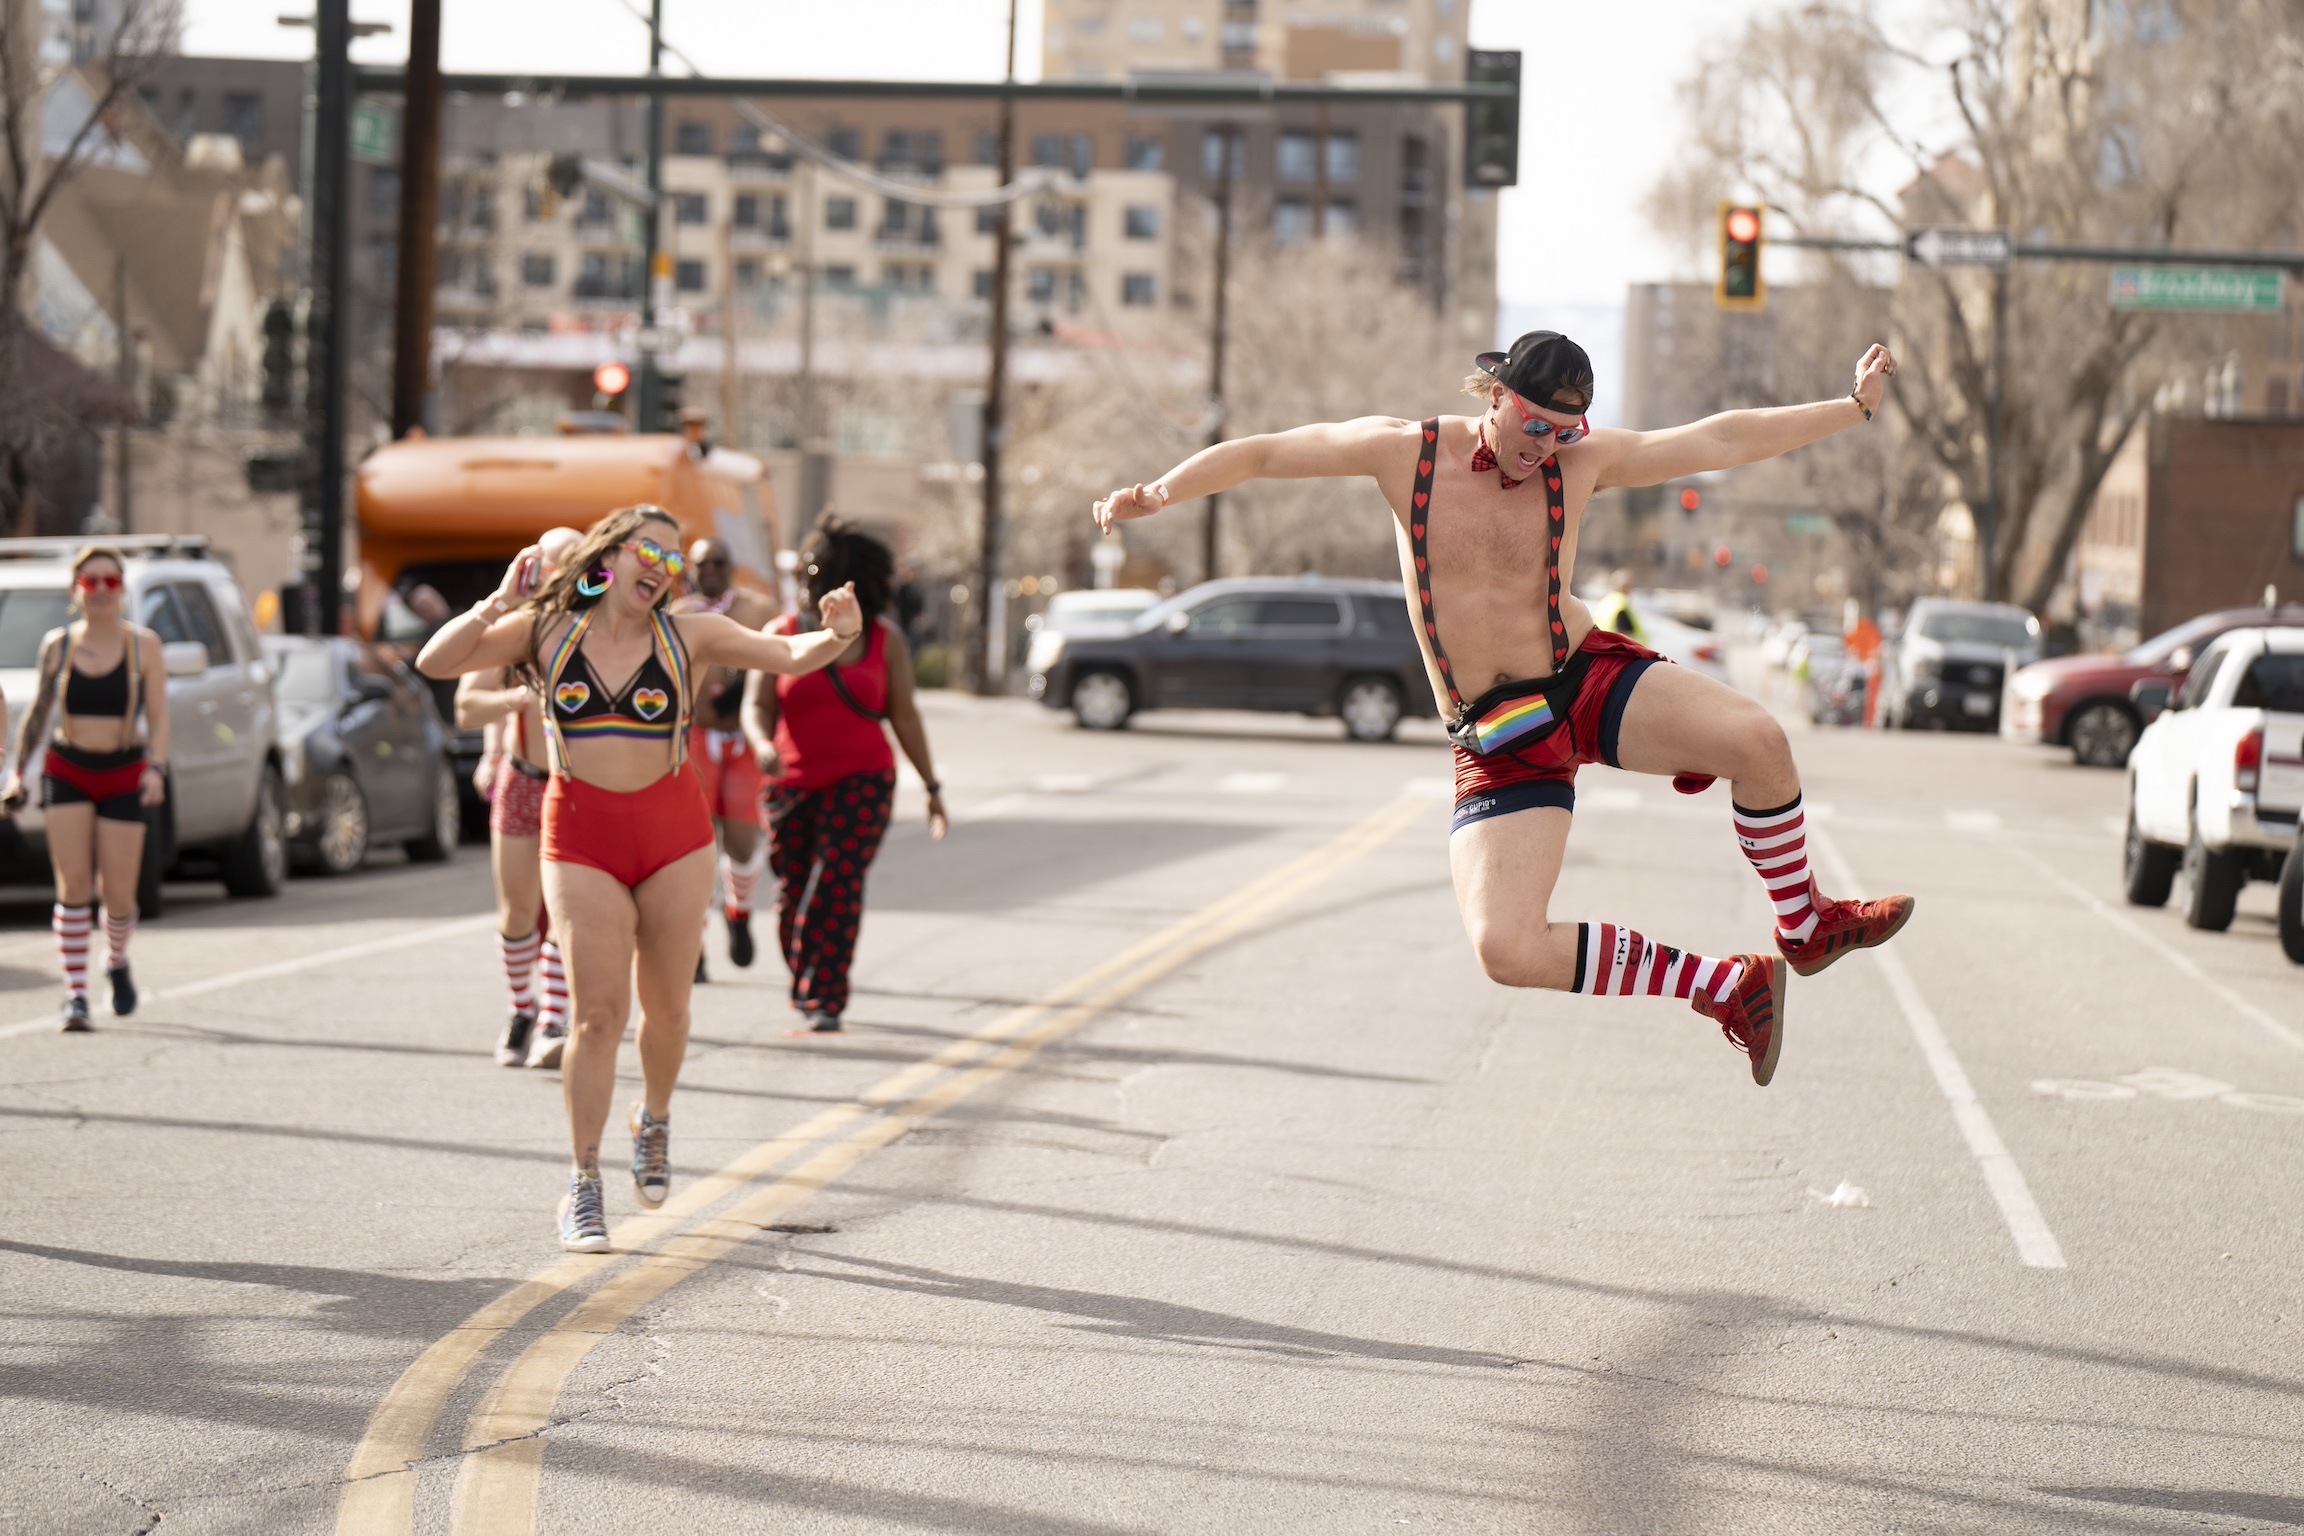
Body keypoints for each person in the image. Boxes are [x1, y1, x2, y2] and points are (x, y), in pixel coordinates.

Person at [1093, 331, 1916, 1087]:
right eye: (1533, 425)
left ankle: (1804, 926)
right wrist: (1163, 492)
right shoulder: (1405, 454)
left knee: (1761, 741)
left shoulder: (1578, 463)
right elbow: (1268, 455)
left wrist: (1851, 409)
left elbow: (1718, 439)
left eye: (1565, 431)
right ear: (1494, 395)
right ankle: (1723, 986)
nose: (1544, 447)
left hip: (1580, 678)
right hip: (1496, 734)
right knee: (1505, 947)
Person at [417, 504, 863, 1252]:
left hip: (673, 839)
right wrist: (498, 601)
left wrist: (840, 630)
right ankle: (583, 1184)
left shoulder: (686, 633)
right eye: (647, 551)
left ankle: (652, 1119)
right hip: (580, 835)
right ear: (610, 556)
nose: (661, 567)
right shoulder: (546, 631)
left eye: (671, 557)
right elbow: (438, 662)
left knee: (669, 1014)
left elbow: (787, 657)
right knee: (597, 1019)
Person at [743, 514, 947, 1034]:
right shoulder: (781, 634)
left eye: (822, 575)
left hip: (862, 781)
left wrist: (931, 787)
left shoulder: (885, 641)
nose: (810, 585)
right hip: (789, 784)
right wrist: (762, 743)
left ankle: (826, 995)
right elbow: (756, 705)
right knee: (793, 890)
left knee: (834, 883)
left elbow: (904, 716)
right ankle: (807, 977)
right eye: (808, 575)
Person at [0, 547, 170, 1032]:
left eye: (110, 582)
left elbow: (158, 718)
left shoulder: (145, 646)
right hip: (67, 768)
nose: (99, 591)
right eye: (90, 582)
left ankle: (115, 959)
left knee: (117, 894)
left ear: (121, 590)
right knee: (72, 885)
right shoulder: (59, 645)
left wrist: (155, 767)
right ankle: (75, 993)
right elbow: (37, 713)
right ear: (75, 590)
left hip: (123, 771)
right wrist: (18, 772)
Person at [458, 525, 583, 1069]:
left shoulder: (597, 625)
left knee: (563, 908)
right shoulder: (518, 628)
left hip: (575, 784)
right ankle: (522, 1009)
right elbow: (466, 706)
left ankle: (555, 1020)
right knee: (518, 909)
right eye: (562, 561)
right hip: (524, 777)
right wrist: (521, 695)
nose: (572, 571)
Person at [673, 537, 780, 973]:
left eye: (719, 561)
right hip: (697, 736)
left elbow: (777, 662)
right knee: (697, 843)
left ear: (733, 566)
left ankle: (739, 911)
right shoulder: (678, 615)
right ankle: (693, 944)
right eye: (702, 564)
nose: (710, 570)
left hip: (741, 739)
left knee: (740, 841)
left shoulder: (758, 609)